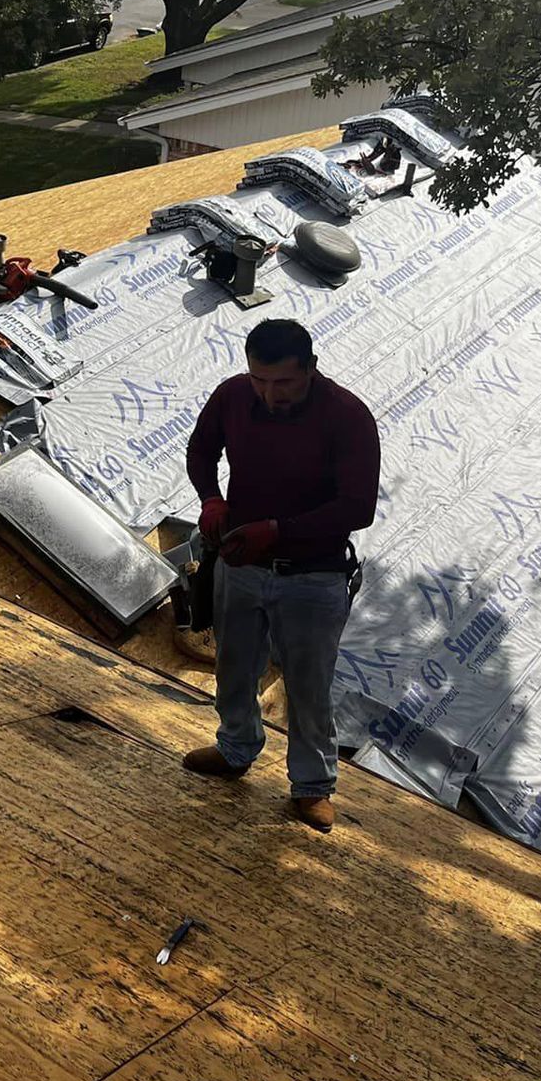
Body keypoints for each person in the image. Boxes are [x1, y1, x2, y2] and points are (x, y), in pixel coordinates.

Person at [181, 318, 379, 832]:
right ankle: (235, 748)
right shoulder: (233, 396)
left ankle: (313, 786)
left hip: (314, 576)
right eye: (260, 381)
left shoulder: (347, 417)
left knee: (308, 686)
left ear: (311, 369)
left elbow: (357, 507)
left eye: (284, 383)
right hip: (241, 562)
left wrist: (280, 530)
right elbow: (201, 451)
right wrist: (210, 498)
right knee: (233, 665)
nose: (270, 394)